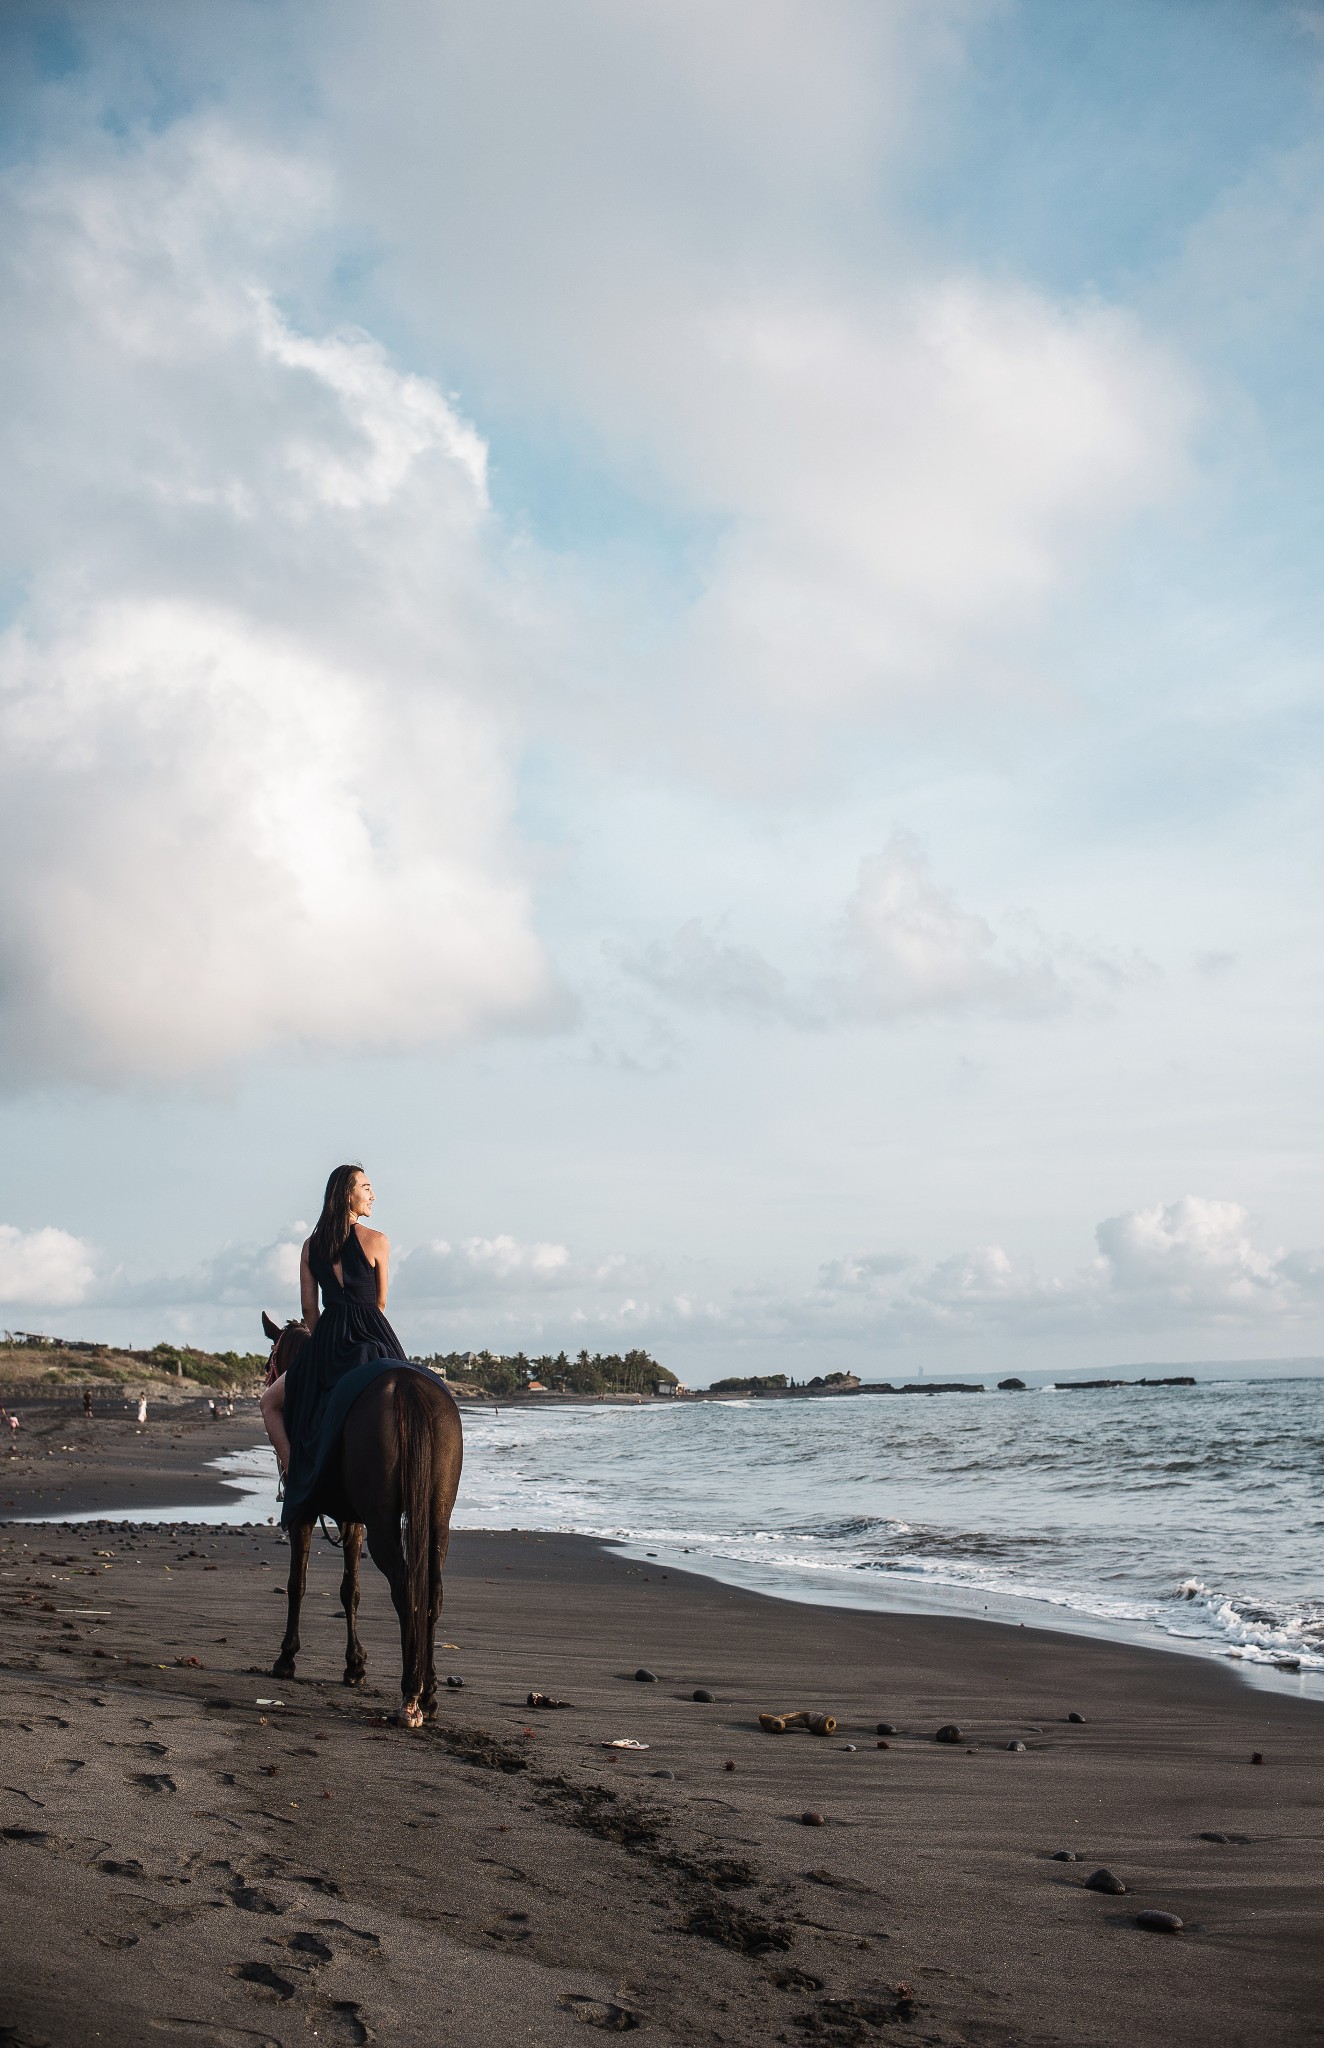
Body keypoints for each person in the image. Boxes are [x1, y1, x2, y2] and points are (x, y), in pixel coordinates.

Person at [259, 1164, 406, 1516]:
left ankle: (295, 1472)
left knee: (269, 1402)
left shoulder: (311, 1247)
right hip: (375, 1335)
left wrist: (328, 1336)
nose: (373, 1195)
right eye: (366, 1187)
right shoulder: (378, 1241)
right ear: (348, 1195)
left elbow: (309, 1310)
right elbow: (381, 1302)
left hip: (329, 1337)